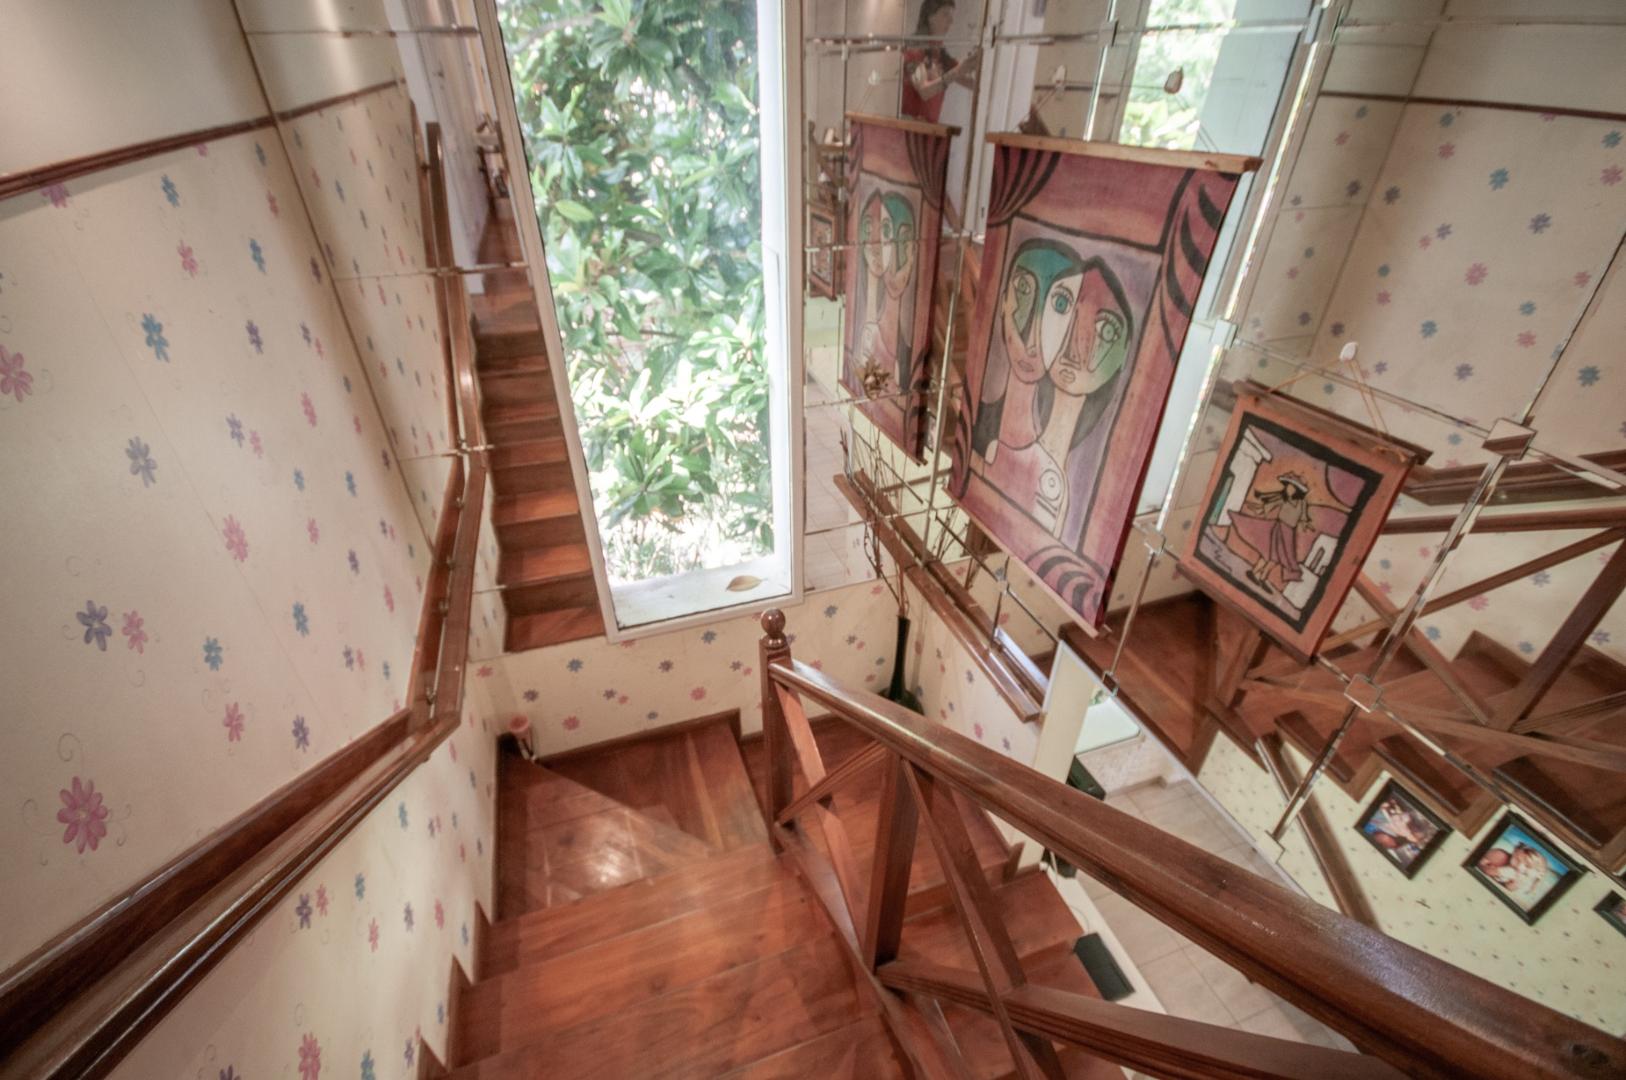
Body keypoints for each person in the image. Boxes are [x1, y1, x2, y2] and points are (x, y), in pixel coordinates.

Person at [901, 0, 980, 124]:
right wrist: (958, 71)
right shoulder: (914, 50)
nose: (951, 21)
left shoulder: (942, 56)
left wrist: (980, 61)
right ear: (930, 17)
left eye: (951, 15)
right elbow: (924, 91)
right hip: (909, 130)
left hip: (931, 130)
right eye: (945, 14)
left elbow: (974, 85)